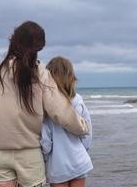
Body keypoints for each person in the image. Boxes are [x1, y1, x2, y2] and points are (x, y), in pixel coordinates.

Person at [0, 21, 89, 187]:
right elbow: (60, 110)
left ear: (13, 41)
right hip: (30, 155)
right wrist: (82, 127)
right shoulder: (40, 73)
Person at [41, 56, 93, 187]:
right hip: (79, 160)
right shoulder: (78, 101)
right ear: (71, 77)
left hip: (58, 165)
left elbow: (46, 142)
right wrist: (82, 150)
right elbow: (87, 132)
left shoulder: (48, 107)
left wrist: (46, 159)